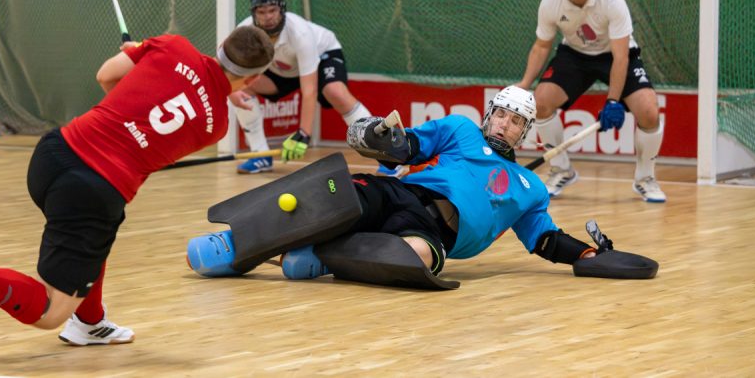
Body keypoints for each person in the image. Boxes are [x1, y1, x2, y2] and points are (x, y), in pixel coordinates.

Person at [0, 26, 274, 345]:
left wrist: (141, 56)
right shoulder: (217, 126)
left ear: (222, 44)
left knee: (99, 234)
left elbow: (107, 76)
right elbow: (171, 121)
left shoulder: (172, 45)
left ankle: (90, 323)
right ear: (253, 79)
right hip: (92, 189)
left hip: (53, 154)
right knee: (51, 311)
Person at [187, 86, 656, 286]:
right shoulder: (460, 129)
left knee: (418, 258)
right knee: (337, 193)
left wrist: (587, 255)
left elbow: (545, 240)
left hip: (435, 232)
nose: (505, 124)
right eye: (501, 114)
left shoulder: (530, 187)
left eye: (516, 121)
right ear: (489, 113)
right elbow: (407, 145)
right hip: (403, 193)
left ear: (526, 132)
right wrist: (382, 139)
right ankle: (235, 246)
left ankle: (315, 257)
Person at [517, 0, 665, 202]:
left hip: (615, 55)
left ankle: (645, 178)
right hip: (575, 55)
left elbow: (621, 57)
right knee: (540, 103)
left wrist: (613, 101)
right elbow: (542, 46)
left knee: (649, 112)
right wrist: (524, 85)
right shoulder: (551, 0)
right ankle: (561, 170)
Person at [231, 0, 371, 174]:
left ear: (282, 10)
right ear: (253, 14)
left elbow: (309, 90)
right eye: (261, 12)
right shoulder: (244, 32)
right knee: (241, 87)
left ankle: (385, 151)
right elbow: (227, 69)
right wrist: (231, 91)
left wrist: (304, 133)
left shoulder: (299, 32)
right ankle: (259, 155)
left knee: (335, 92)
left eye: (272, 10)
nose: (268, 17)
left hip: (323, 55)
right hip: (284, 69)